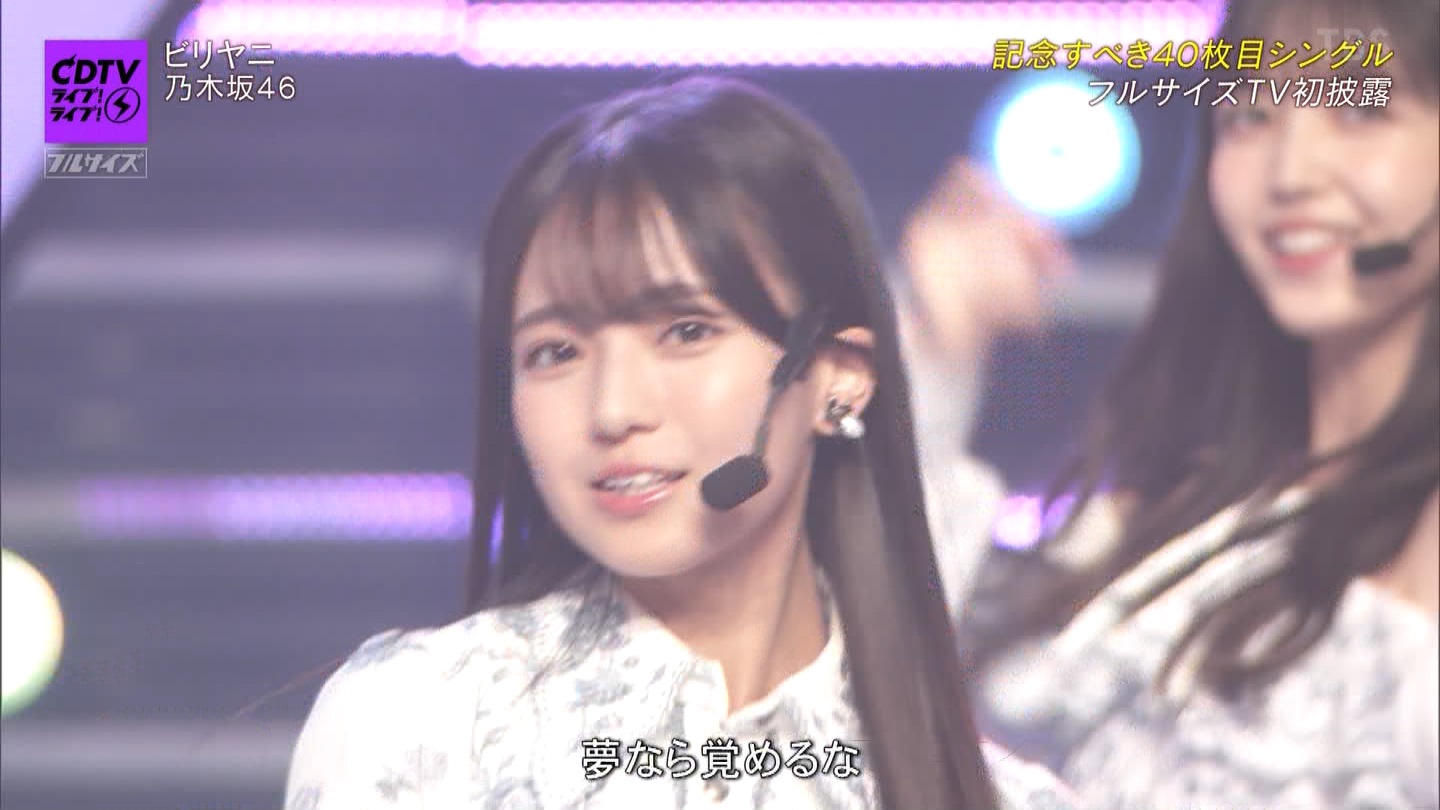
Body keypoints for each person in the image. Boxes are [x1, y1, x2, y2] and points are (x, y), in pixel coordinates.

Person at [282, 76, 1081, 810]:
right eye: (555, 352)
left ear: (838, 379)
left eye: (686, 331)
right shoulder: (420, 724)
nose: (612, 409)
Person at [903, 0, 1439, 808]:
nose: (1291, 173)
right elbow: (871, 640)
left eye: (1358, 110)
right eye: (1249, 117)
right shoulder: (1175, 510)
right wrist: (942, 349)